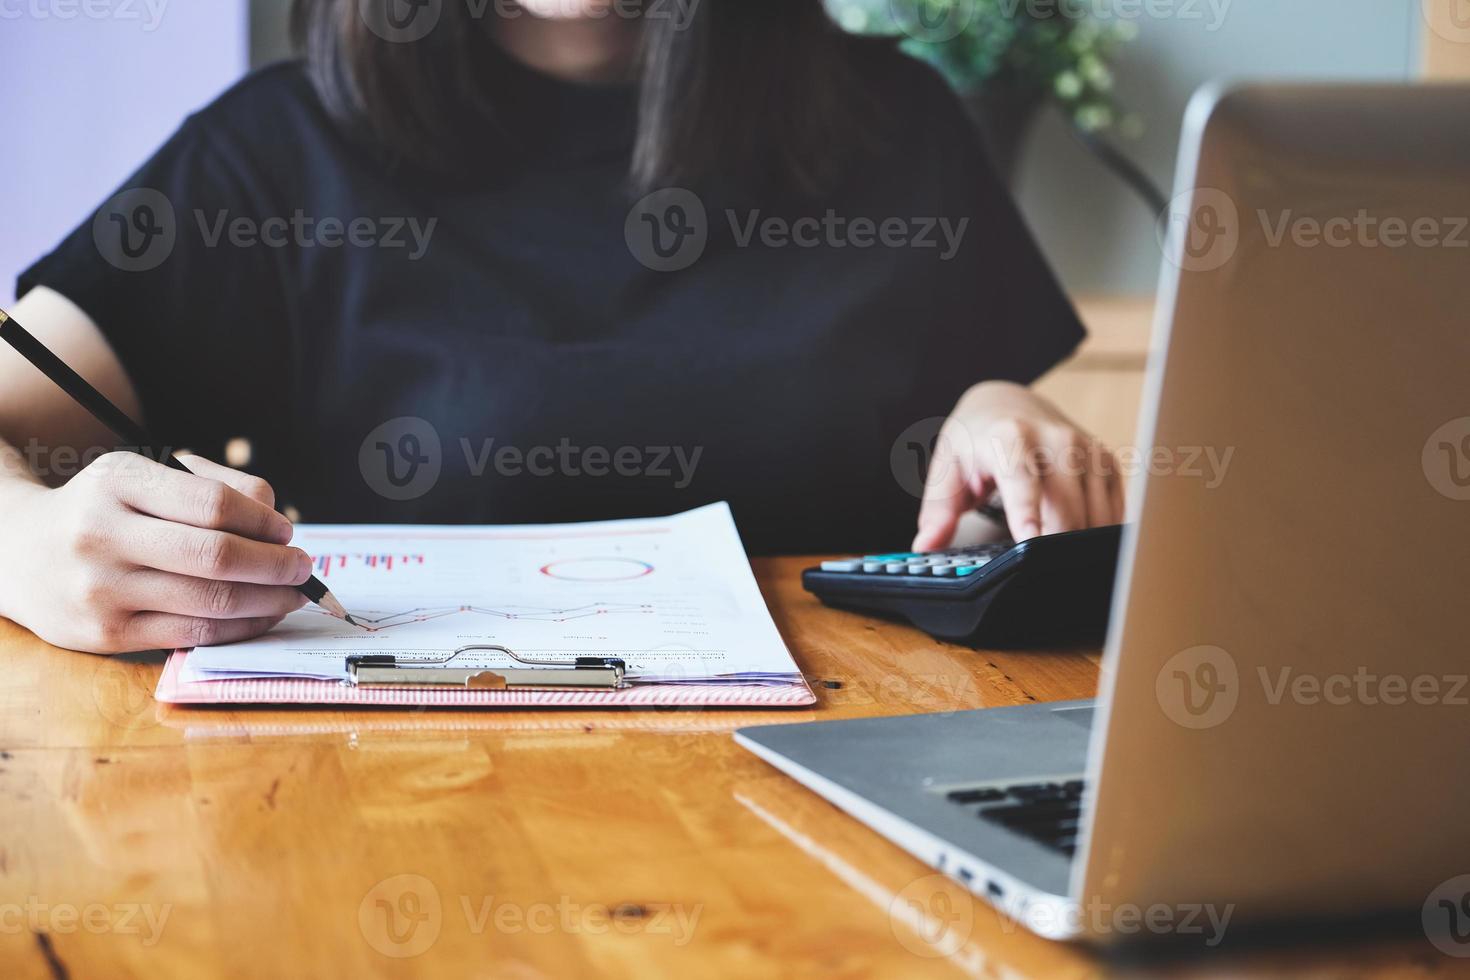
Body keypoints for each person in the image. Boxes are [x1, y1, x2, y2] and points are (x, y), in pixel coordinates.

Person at [0, 0, 1123, 655]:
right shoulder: (273, 149)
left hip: (856, 807)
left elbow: (977, 501)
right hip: (401, 812)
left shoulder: (899, 123)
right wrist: (26, 546)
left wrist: (998, 404)